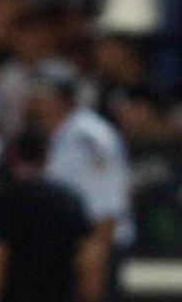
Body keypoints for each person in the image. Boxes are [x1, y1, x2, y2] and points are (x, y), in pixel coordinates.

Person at [27, 65, 135, 302]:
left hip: (95, 245)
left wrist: (96, 257)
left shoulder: (89, 137)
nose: (34, 104)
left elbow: (106, 204)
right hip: (69, 247)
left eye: (41, 98)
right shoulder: (56, 135)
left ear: (62, 99)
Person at [0, 131, 97, 302]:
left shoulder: (4, 201)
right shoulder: (69, 201)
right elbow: (88, 262)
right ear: (44, 158)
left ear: (12, 158)